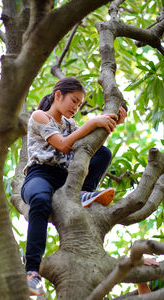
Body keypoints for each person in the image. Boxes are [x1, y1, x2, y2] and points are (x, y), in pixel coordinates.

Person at [21, 77, 127, 296]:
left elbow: (86, 147)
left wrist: (113, 122)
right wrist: (92, 123)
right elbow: (63, 144)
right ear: (58, 95)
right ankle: (31, 272)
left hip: (66, 179)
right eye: (74, 101)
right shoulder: (40, 116)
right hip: (40, 175)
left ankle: (84, 192)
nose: (76, 107)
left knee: (103, 153)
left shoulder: (71, 125)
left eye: (79, 105)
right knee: (40, 201)